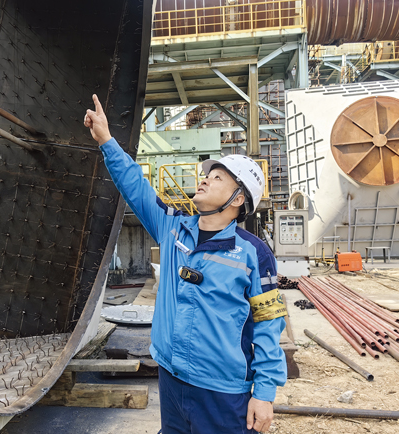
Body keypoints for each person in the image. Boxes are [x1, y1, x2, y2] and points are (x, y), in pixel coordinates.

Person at [85, 95, 287, 434]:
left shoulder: (253, 254)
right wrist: (106, 140)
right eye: (208, 174)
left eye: (218, 178)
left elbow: (269, 324)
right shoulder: (173, 228)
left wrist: (264, 393)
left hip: (222, 391)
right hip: (171, 377)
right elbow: (135, 186)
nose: (205, 179)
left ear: (238, 199)